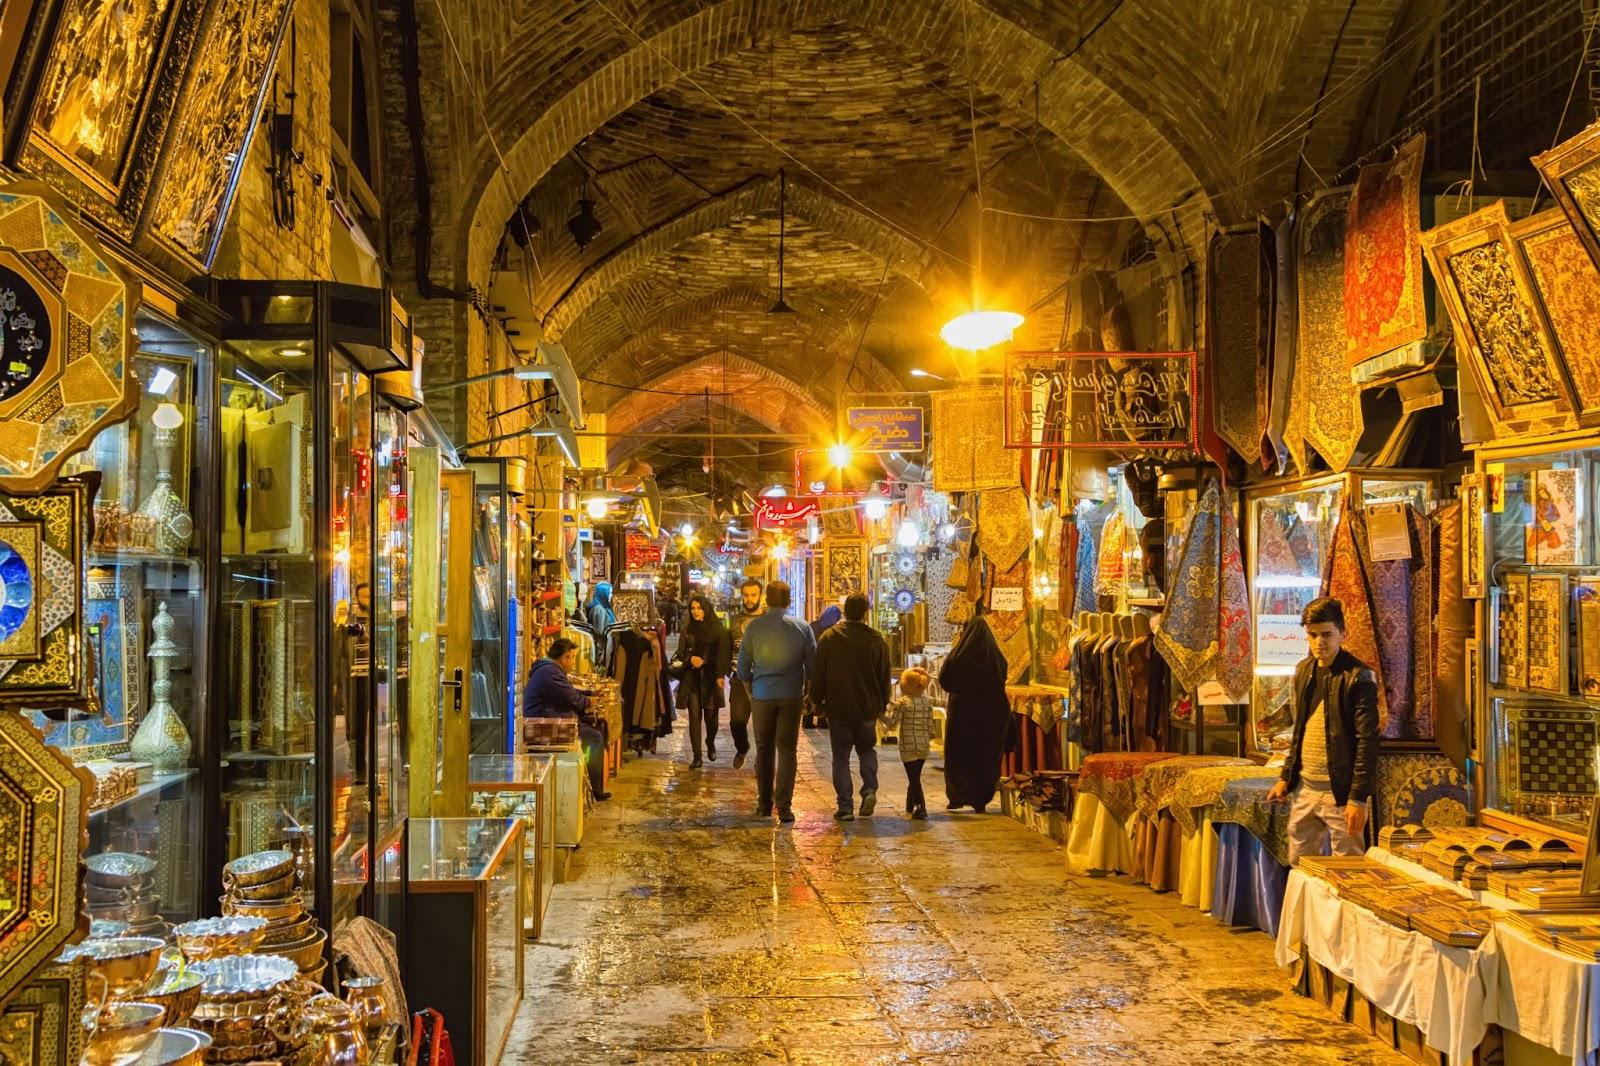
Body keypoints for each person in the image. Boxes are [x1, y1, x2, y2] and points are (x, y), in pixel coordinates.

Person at [1267, 597, 1379, 864]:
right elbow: (1300, 731)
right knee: (1300, 867)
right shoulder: (1303, 670)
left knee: (1348, 868)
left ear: (1342, 633)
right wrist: (1287, 777)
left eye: (1327, 634)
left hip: (1339, 792)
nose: (1319, 642)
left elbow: (1367, 741)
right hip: (1305, 788)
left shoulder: (1358, 676)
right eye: (1312, 635)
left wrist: (1357, 798)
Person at [735, 580, 816, 824]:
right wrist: (808, 693)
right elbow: (812, 667)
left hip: (762, 695)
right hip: (791, 696)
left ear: (766, 600)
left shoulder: (753, 627)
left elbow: (742, 668)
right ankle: (784, 807)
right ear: (789, 600)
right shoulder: (802, 627)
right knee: (787, 750)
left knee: (765, 748)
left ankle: (763, 804)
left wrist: (751, 693)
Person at [810, 593, 891, 820]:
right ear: (866, 613)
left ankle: (845, 807)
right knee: (867, 750)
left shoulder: (830, 637)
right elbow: (884, 676)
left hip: (839, 708)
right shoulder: (876, 640)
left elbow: (820, 673)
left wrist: (815, 699)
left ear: (844, 612)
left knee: (841, 757)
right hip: (867, 707)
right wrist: (882, 704)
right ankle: (869, 790)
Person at [939, 612, 1012, 812]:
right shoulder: (996, 657)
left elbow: (945, 679)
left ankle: (957, 796)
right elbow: (1003, 677)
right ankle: (980, 799)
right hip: (991, 713)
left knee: (959, 754)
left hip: (963, 712)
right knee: (985, 755)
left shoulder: (958, 656)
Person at [524, 638, 612, 801]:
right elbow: (571, 698)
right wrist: (587, 701)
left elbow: (568, 691)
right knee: (595, 738)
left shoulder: (549, 670)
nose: (573, 662)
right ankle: (593, 790)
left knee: (597, 728)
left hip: (549, 719)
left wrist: (589, 694)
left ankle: (592, 786)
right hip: (544, 726)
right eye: (572, 657)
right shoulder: (551, 673)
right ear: (564, 658)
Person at [675, 593, 730, 768]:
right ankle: (697, 756)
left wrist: (708, 663)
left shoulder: (718, 630)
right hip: (692, 679)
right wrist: (690, 659)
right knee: (694, 717)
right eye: (693, 608)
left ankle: (710, 742)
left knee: (712, 717)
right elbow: (680, 653)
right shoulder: (687, 629)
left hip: (711, 678)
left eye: (699, 608)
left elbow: (723, 656)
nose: (696, 611)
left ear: (706, 609)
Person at [883, 667, 934, 820]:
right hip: (924, 745)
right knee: (915, 775)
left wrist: (880, 716)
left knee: (914, 778)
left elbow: (892, 724)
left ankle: (921, 807)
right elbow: (931, 728)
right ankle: (909, 804)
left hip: (908, 745)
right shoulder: (927, 703)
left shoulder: (902, 703)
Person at [725, 579, 764, 769]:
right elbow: (727, 646)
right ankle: (742, 748)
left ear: (761, 596)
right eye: (746, 595)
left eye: (753, 595)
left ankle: (762, 761)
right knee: (737, 721)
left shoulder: (769, 620)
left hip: (764, 681)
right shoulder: (734, 620)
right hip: (739, 680)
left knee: (763, 724)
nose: (749, 599)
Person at [804, 604, 844, 728]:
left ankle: (807, 720)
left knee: (810, 692)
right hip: (826, 666)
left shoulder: (812, 625)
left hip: (811, 665)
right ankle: (822, 720)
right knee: (825, 694)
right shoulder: (834, 630)